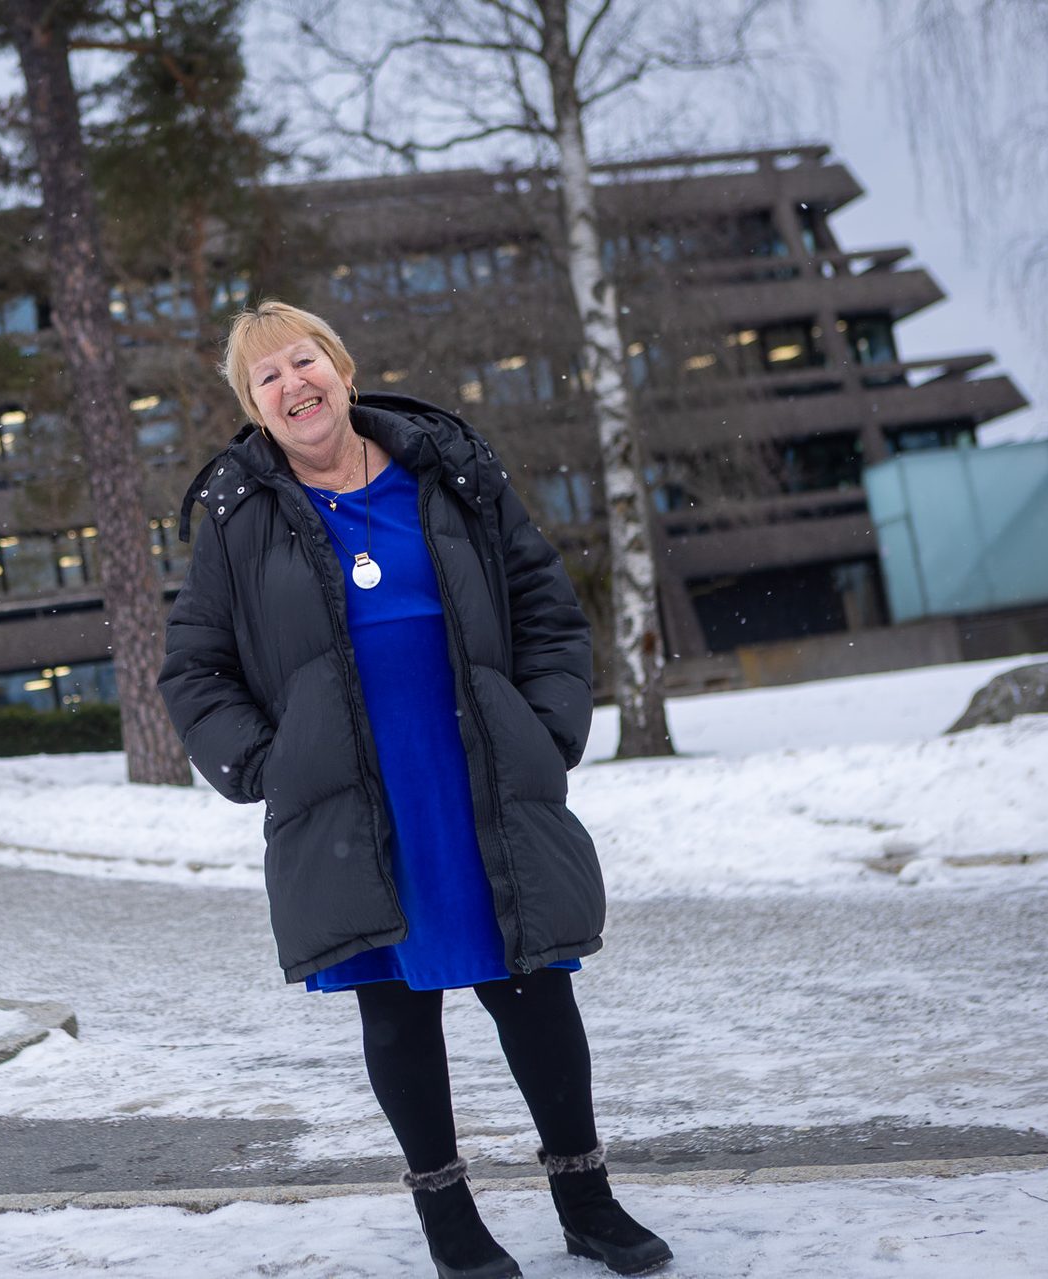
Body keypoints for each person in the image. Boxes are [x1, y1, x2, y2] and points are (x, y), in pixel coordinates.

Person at [159, 300, 672, 1279]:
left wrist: (549, 728)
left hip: (476, 773)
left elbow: (546, 608)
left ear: (342, 370)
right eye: (265, 379)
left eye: (302, 361)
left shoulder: (452, 473)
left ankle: (588, 1199)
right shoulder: (241, 515)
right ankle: (449, 1224)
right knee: (396, 1008)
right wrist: (270, 764)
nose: (291, 386)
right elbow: (195, 669)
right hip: (356, 800)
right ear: (254, 407)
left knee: (533, 989)